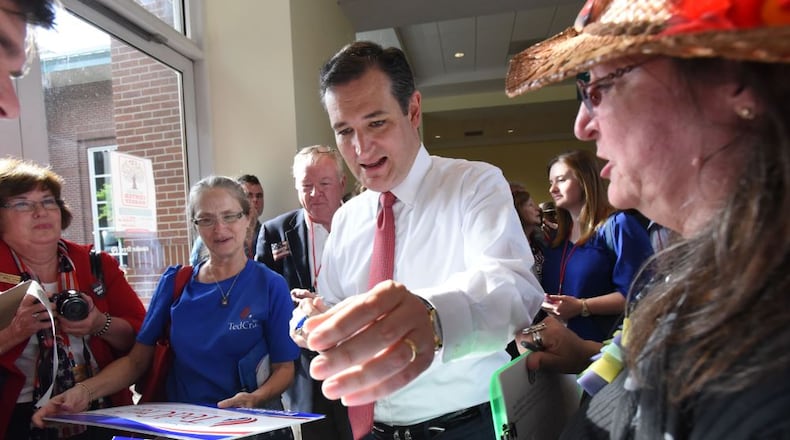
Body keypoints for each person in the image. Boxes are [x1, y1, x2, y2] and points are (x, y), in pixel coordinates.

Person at [506, 0, 790, 437]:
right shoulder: (708, 274)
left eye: (598, 87)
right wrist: (586, 353)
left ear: (731, 83)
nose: (583, 124)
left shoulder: (769, 359)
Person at [294, 41, 543, 440]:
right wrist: (313, 320)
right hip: (371, 431)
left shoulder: (473, 184)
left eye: (376, 123)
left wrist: (432, 318)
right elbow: (336, 304)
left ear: (412, 111)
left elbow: (514, 290)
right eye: (344, 131)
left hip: (465, 426)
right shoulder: (345, 219)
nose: (360, 149)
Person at [34, 176, 300, 440]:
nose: (220, 229)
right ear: (195, 225)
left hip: (245, 430)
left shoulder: (270, 285)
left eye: (230, 216)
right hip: (182, 431)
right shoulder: (175, 283)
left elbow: (284, 368)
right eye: (206, 219)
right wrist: (83, 392)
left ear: (247, 218)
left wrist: (256, 398)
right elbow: (137, 361)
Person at [0, 158, 147, 439]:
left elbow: (140, 341)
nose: (40, 211)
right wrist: (12, 333)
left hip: (97, 410)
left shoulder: (96, 265)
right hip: (14, 418)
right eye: (22, 204)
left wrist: (99, 324)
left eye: (48, 201)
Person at [255, 145, 351, 440]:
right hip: (303, 367)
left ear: (341, 184)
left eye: (324, 184)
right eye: (306, 186)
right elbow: (263, 296)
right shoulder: (276, 230)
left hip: (354, 354)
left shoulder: (365, 223)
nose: (314, 194)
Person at [541, 150, 653, 342]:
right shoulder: (555, 239)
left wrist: (582, 307)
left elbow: (640, 292)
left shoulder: (618, 225)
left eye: (560, 180)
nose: (552, 189)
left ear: (584, 182)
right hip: (558, 349)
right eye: (551, 182)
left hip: (604, 351)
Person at [191, 174, 264, 265]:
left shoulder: (267, 233)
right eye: (249, 195)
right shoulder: (205, 241)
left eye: (259, 196)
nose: (254, 200)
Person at [512, 190, 545, 281]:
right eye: (530, 205)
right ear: (517, 210)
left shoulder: (541, 243)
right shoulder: (510, 247)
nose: (537, 208)